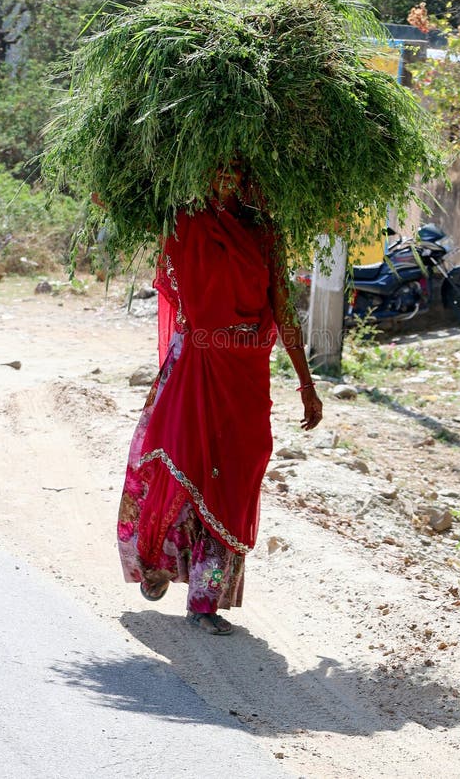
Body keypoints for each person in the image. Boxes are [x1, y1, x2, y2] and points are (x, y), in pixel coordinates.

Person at [117, 165, 323, 635]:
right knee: (178, 462)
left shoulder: (266, 233)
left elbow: (283, 308)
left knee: (234, 480)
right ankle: (157, 561)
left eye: (237, 171)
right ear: (205, 174)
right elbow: (117, 204)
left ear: (251, 178)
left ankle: (205, 595)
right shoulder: (186, 222)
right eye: (219, 169)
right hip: (196, 365)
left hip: (245, 376)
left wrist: (306, 384)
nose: (228, 179)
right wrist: (111, 174)